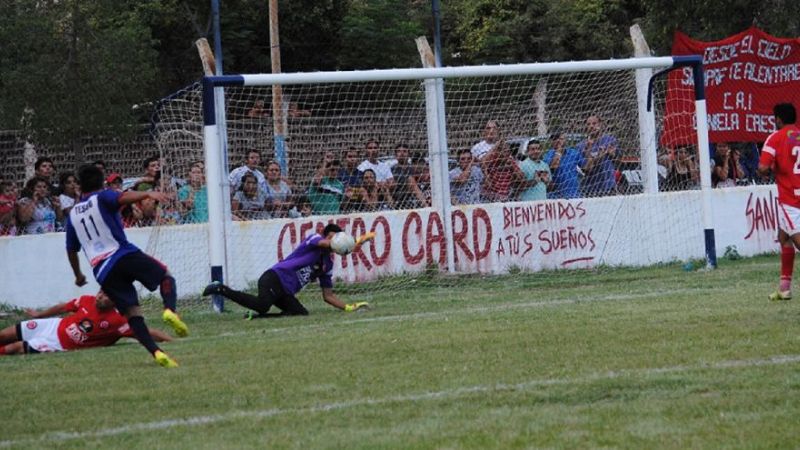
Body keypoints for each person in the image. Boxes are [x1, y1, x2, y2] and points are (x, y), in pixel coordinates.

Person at [65, 164, 188, 367]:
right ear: (102, 182)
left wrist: (78, 274)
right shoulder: (104, 196)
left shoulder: (73, 215)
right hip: (122, 254)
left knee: (132, 313)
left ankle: (157, 353)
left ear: (80, 186)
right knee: (165, 275)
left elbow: (71, 250)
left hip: (102, 271)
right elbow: (121, 198)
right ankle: (169, 310)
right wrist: (148, 193)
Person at [202, 224, 373, 317]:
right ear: (326, 236)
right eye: (334, 237)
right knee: (263, 305)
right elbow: (329, 244)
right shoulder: (314, 239)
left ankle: (255, 316)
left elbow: (328, 296)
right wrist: (355, 242)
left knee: (300, 313)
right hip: (274, 278)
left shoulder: (328, 264)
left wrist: (348, 307)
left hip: (285, 291)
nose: (336, 241)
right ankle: (220, 288)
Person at [0, 291, 172, 356]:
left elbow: (145, 332)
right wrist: (39, 315)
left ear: (115, 301)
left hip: (57, 343)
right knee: (4, 335)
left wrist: (171, 341)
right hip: (53, 325)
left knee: (14, 348)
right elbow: (63, 307)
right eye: (100, 292)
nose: (100, 296)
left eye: (106, 295)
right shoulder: (86, 300)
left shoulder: (117, 322)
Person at [757, 103, 800, 301]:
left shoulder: (776, 137)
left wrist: (772, 167)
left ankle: (784, 289)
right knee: (784, 238)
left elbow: (763, 167)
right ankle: (784, 288)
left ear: (778, 119)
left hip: (790, 198)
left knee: (796, 239)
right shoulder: (798, 135)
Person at [577, 115, 618, 196]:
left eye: (594, 123)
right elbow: (586, 169)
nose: (591, 126)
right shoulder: (581, 145)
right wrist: (589, 149)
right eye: (588, 124)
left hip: (608, 185)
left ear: (600, 124)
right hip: (590, 188)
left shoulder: (610, 140)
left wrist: (612, 154)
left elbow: (618, 159)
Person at [543, 131, 586, 199]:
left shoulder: (573, 153)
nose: (558, 141)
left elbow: (586, 166)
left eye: (561, 139)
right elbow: (554, 166)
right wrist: (558, 151)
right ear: (551, 142)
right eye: (555, 139)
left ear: (565, 140)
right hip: (556, 195)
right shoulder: (548, 155)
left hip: (573, 193)